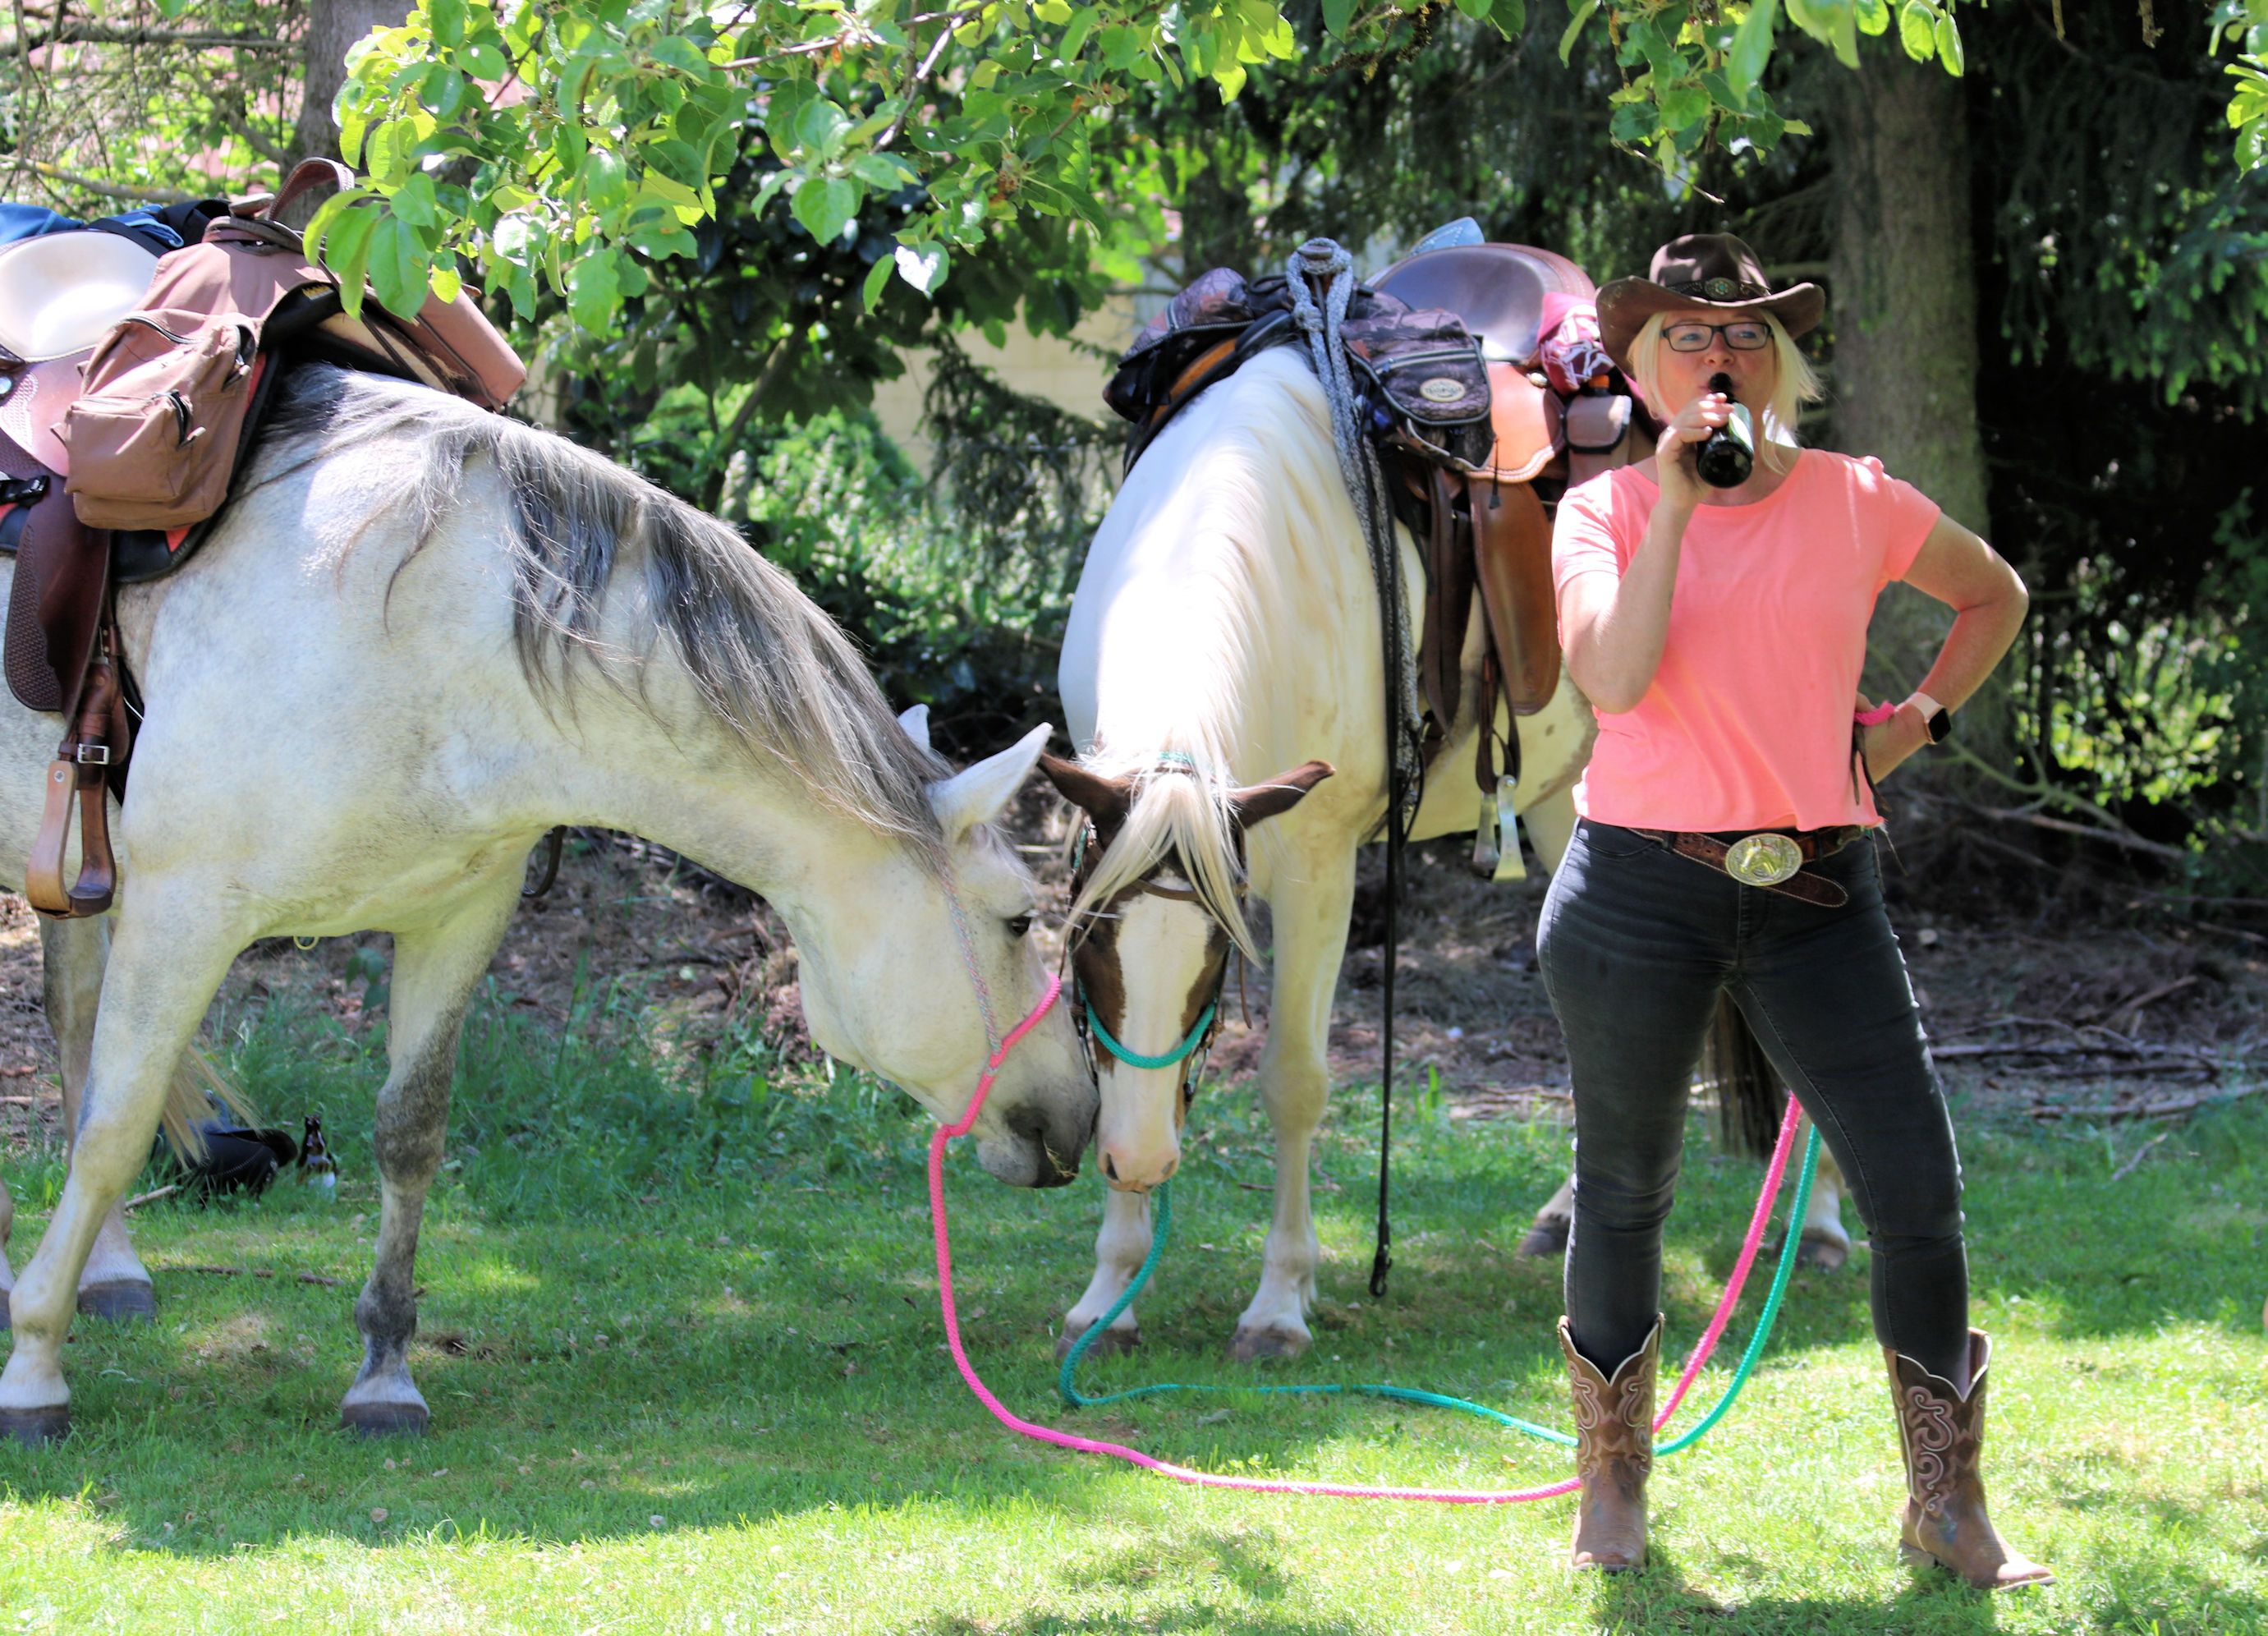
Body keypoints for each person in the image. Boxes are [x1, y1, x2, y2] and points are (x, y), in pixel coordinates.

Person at [1536, 233, 2049, 1588]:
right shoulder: (1600, 514)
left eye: (1746, 337)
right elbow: (1617, 680)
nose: (1719, 360)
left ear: (1784, 364)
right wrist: (1673, 502)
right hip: (1638, 896)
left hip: (1820, 891)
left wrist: (1907, 729)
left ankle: (1946, 1507)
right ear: (1641, 372)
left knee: (1916, 1190)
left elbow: (1991, 594)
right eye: (1687, 341)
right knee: (1622, 1193)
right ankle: (1611, 1487)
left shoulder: (1853, 497)